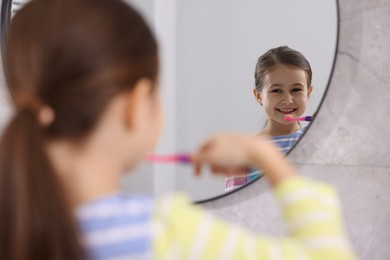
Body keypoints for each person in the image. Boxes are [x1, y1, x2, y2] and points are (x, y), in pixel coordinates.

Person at [0, 0, 355, 259]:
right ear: (137, 103)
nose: (288, 98)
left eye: (296, 89)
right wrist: (267, 159)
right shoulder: (167, 234)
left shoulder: (13, 227)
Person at [226, 46, 314, 191]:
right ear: (258, 96)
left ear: (308, 93)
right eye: (277, 91)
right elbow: (235, 208)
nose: (287, 100)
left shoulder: (316, 140)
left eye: (296, 90)